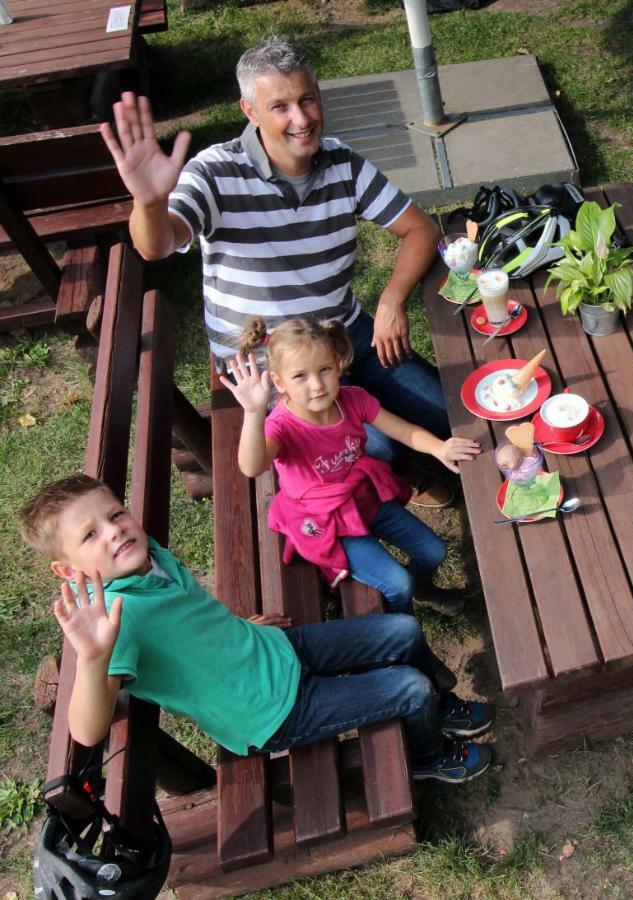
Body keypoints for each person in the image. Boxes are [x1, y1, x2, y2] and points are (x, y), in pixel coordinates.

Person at [99, 37, 453, 505]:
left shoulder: (341, 162)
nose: (301, 119)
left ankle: (403, 449)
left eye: (307, 99)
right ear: (250, 111)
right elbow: (158, 244)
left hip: (345, 335)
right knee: (375, 444)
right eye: (280, 106)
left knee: (451, 410)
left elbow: (421, 230)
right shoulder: (214, 173)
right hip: (273, 369)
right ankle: (404, 472)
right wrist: (149, 201)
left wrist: (391, 300)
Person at [19, 474, 494, 781]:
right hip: (271, 712)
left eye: (115, 514)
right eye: (90, 535)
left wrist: (233, 627)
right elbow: (86, 730)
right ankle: (429, 758)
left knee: (402, 632)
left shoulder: (145, 558)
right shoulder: (113, 622)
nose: (115, 531)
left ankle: (441, 707)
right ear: (67, 570)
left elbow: (187, 620)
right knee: (409, 687)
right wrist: (94, 657)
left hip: (270, 649)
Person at [221, 317, 479, 617]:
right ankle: (401, 625)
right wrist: (253, 414)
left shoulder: (352, 399)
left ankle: (422, 589)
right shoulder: (281, 426)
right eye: (300, 376)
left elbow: (404, 430)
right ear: (279, 382)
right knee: (398, 585)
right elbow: (252, 466)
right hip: (325, 521)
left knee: (434, 551)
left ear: (339, 364)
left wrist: (439, 447)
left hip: (363, 499)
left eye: (325, 370)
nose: (316, 385)